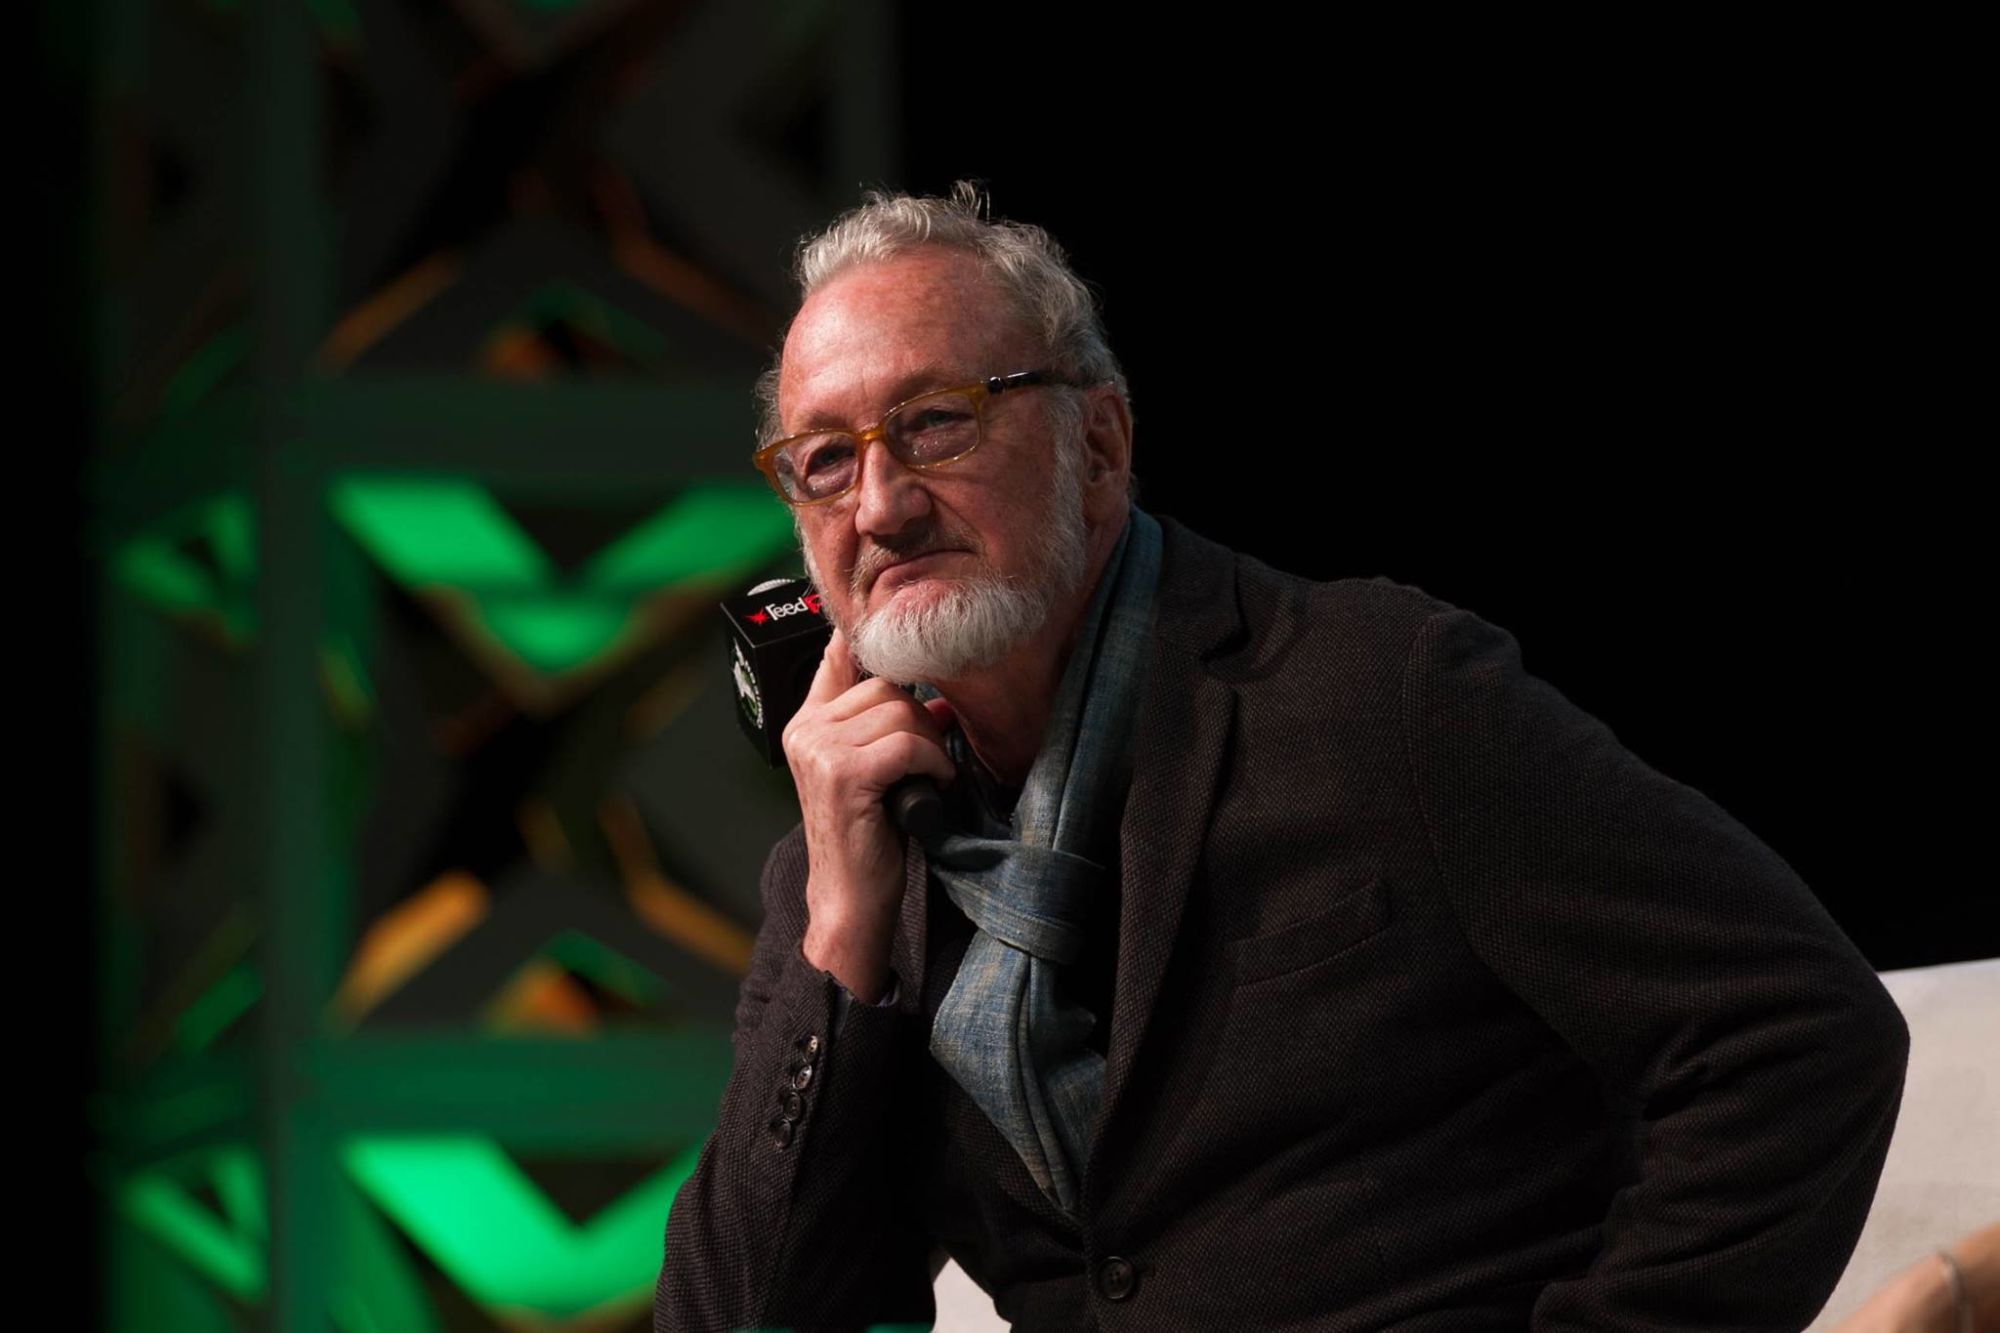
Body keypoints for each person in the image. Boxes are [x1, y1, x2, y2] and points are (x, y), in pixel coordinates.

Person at [653, 183, 1910, 1332]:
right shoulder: (848, 864)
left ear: (1098, 444)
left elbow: (1792, 1036)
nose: (878, 505)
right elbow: (738, 1318)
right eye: (825, 460)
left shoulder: (1372, 692)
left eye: (933, 423)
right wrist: (840, 943)